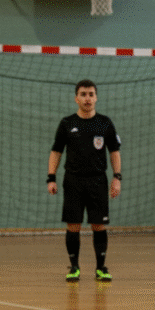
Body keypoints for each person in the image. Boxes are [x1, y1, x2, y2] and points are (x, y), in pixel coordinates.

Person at [47, 80, 122, 282]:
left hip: (98, 181)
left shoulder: (105, 123)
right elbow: (56, 152)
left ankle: (101, 268)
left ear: (96, 98)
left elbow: (114, 151)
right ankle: (74, 267)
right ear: (76, 98)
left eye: (91, 94)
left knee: (98, 225)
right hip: (73, 181)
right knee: (74, 225)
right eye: (83, 94)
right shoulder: (66, 123)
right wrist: (51, 178)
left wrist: (117, 178)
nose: (87, 98)